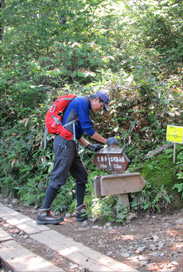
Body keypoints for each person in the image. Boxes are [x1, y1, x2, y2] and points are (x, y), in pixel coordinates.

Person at [36, 91, 118, 225]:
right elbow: (88, 129)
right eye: (101, 106)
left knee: (81, 176)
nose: (100, 110)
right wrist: (106, 141)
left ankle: (80, 211)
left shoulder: (82, 105)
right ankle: (43, 213)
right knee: (58, 177)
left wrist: (90, 146)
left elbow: (76, 132)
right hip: (64, 144)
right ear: (96, 99)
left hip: (69, 143)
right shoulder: (82, 102)